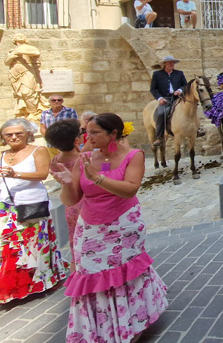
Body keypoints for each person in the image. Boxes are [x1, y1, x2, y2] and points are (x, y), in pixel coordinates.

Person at [51, 113, 167, 341]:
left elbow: (130, 189)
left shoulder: (134, 156)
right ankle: (101, 327)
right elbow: (72, 199)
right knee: (89, 273)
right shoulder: (84, 158)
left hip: (123, 225)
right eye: (86, 131)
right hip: (90, 228)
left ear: (113, 134)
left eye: (95, 132)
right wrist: (66, 185)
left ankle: (131, 323)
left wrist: (98, 178)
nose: (88, 136)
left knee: (124, 273)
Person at [0, 118, 69, 304]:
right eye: (9, 134)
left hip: (31, 203)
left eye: (18, 133)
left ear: (27, 134)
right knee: (10, 247)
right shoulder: (3, 154)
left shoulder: (37, 150)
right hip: (6, 206)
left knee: (33, 245)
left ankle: (39, 282)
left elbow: (42, 174)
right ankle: (16, 286)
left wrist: (16, 174)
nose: (13, 137)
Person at [44, 118, 84, 263]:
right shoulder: (84, 159)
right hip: (86, 204)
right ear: (76, 140)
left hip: (70, 206)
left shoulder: (55, 161)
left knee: (76, 236)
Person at [5, 33, 49, 120]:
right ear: (14, 40)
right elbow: (6, 62)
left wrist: (20, 52)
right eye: (17, 36)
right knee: (21, 94)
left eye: (22, 36)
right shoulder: (12, 51)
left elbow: (37, 52)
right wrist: (12, 56)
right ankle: (26, 112)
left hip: (27, 71)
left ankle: (34, 112)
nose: (19, 36)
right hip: (15, 75)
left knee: (28, 92)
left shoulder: (28, 48)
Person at [149, 55, 188, 147]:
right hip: (165, 99)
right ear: (164, 64)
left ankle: (196, 130)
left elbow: (185, 85)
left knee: (191, 108)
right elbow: (153, 89)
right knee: (161, 113)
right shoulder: (157, 74)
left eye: (173, 62)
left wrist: (180, 90)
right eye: (170, 62)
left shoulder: (179, 73)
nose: (172, 64)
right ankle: (160, 137)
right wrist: (159, 98)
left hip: (178, 98)